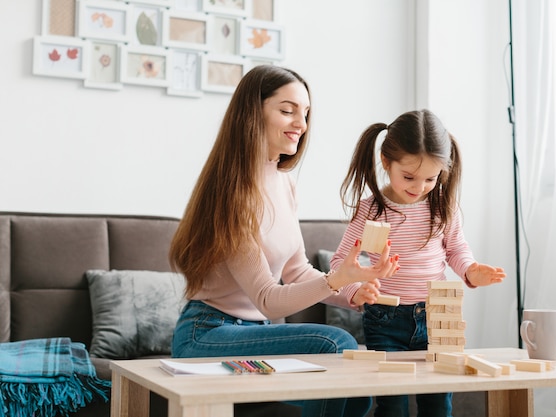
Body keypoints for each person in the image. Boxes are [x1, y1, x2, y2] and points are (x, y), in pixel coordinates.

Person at [168, 65, 400, 417]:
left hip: (257, 333)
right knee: (334, 343)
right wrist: (337, 278)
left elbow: (297, 270)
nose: (301, 124)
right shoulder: (232, 195)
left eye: (305, 113)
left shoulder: (283, 183)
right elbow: (268, 300)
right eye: (287, 110)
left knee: (357, 390)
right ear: (252, 112)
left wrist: (353, 289)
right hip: (207, 334)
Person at [330, 110, 506, 417]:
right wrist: (357, 290)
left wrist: (471, 270)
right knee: (392, 405)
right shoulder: (372, 210)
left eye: (431, 178)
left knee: (438, 403)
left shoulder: (442, 208)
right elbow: (340, 262)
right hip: (384, 319)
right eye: (409, 176)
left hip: (436, 316)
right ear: (386, 162)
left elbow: (456, 251)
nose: (420, 186)